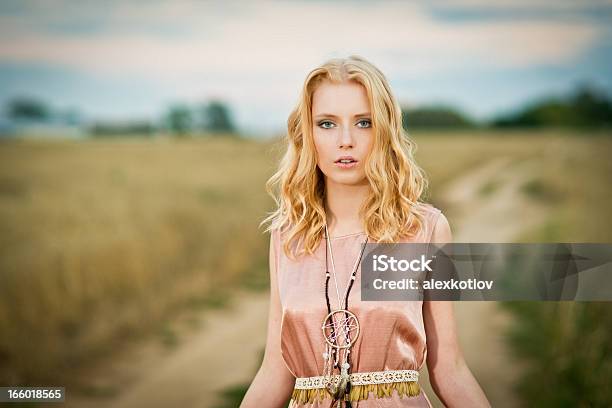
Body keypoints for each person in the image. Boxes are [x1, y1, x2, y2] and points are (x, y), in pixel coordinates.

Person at [240, 55, 489, 407]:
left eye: (364, 122)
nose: (346, 140)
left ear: (384, 130)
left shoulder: (424, 229)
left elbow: (449, 367)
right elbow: (274, 371)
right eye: (327, 124)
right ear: (307, 134)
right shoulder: (288, 237)